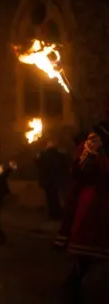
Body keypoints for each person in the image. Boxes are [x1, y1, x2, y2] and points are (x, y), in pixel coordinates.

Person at [55, 130, 109, 304]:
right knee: (88, 251)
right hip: (93, 204)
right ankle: (72, 284)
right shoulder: (88, 150)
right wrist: (90, 153)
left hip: (102, 201)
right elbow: (79, 172)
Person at [36, 139, 70, 220]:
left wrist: (37, 158)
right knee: (55, 196)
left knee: (50, 197)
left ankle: (53, 213)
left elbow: (38, 165)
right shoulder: (59, 155)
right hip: (56, 180)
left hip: (47, 180)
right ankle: (56, 213)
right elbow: (64, 165)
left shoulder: (43, 155)